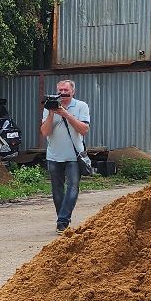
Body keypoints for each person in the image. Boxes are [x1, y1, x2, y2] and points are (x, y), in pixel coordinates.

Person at [39, 78, 92, 233]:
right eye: (60, 91)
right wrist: (51, 113)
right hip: (54, 156)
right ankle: (63, 219)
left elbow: (84, 130)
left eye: (66, 91)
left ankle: (62, 221)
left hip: (74, 157)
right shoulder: (49, 108)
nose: (62, 94)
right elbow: (45, 132)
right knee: (57, 190)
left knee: (73, 187)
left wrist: (65, 114)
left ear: (72, 91)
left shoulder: (81, 106)